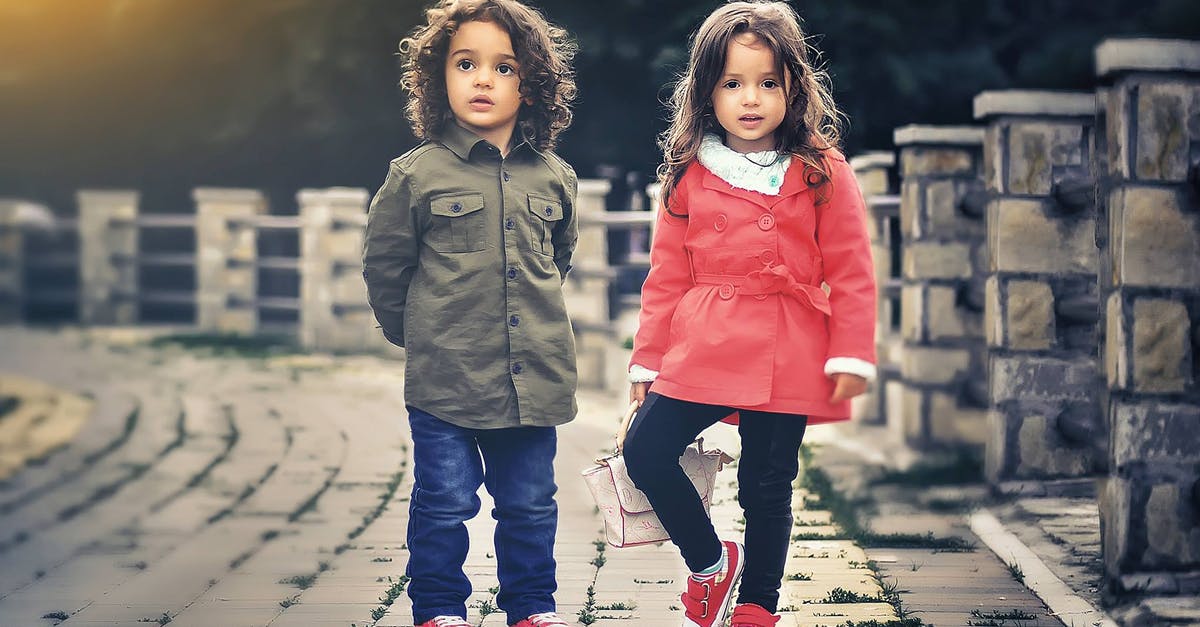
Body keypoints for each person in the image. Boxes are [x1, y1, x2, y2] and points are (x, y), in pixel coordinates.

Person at [621, 2, 877, 626]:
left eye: (768, 82)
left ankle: (758, 607)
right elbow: (666, 277)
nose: (751, 98)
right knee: (646, 449)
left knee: (768, 485)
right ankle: (710, 563)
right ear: (706, 92)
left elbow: (850, 269)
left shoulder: (822, 170)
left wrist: (852, 353)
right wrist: (647, 361)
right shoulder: (689, 176)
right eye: (732, 83)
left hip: (789, 343)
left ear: (794, 85)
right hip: (705, 341)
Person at [361, 1, 578, 625]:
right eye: (466, 64)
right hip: (444, 380)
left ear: (531, 83)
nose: (483, 79)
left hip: (534, 378)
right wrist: (421, 337)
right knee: (443, 502)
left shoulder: (555, 178)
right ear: (439, 78)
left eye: (503, 67)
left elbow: (556, 262)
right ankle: (438, 609)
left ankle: (532, 607)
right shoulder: (415, 175)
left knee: (531, 505)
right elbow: (386, 268)